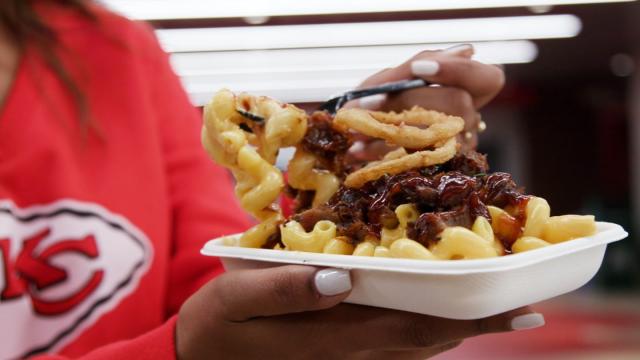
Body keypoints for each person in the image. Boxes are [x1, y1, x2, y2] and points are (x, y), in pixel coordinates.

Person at [0, 1, 544, 359]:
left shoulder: (115, 52)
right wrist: (178, 351)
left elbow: (223, 273)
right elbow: (198, 330)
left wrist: (360, 197)